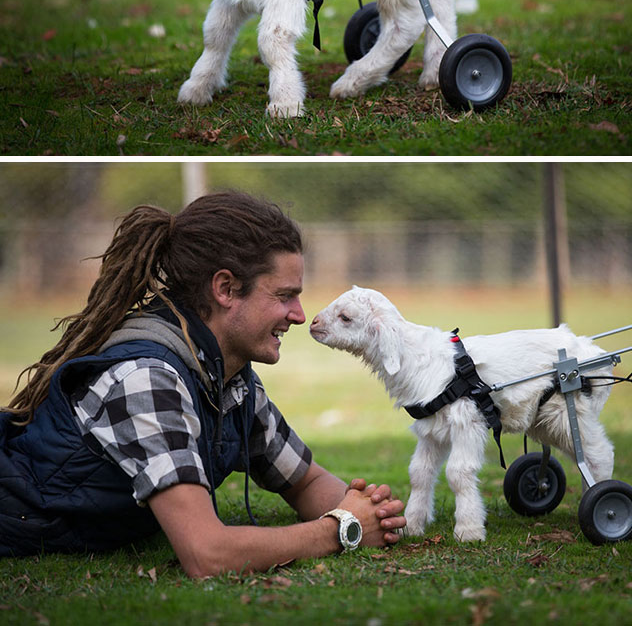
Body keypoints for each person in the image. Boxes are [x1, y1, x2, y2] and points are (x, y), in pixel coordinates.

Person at [0, 191, 406, 576]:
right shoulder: (147, 379)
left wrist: (370, 511)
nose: (299, 315)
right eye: (285, 296)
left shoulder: (228, 377)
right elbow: (206, 554)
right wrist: (341, 529)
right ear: (225, 289)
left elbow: (306, 480)